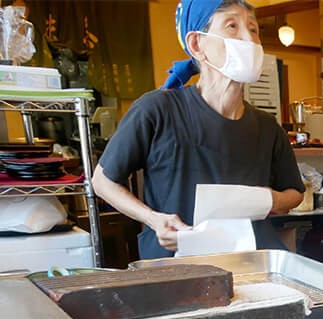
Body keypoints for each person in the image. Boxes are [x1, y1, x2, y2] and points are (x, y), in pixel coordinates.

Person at [93, 0, 303, 259]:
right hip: (175, 268)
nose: (249, 40)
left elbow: (294, 193)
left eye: (254, 29)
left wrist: (269, 200)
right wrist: (154, 219)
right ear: (196, 44)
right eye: (232, 26)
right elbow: (102, 181)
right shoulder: (158, 109)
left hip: (250, 265)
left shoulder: (267, 127)